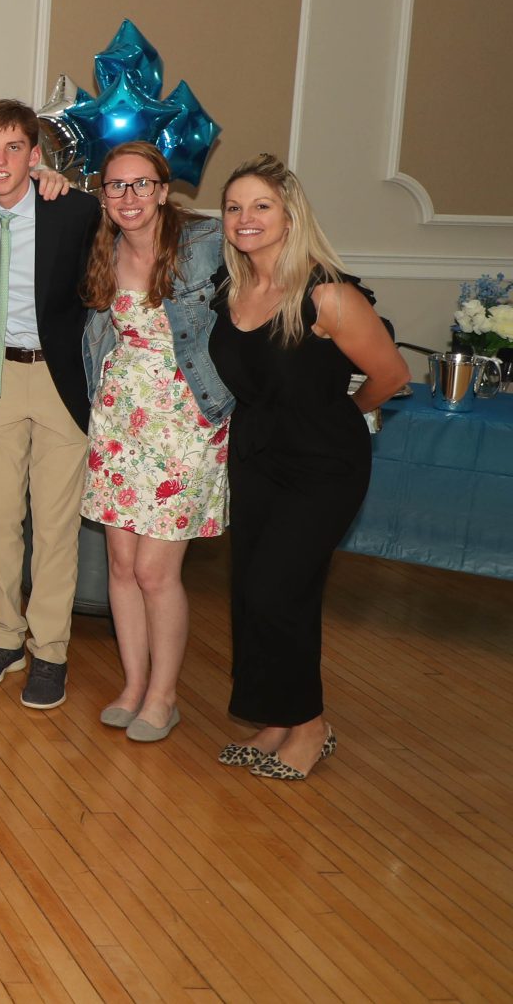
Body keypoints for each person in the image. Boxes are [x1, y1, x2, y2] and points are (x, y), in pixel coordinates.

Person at [209, 155, 407, 780]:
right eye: (235, 207)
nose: (246, 219)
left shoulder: (328, 295)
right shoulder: (230, 288)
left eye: (261, 206)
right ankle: (278, 715)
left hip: (323, 463)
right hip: (256, 457)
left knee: (278, 589)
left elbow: (391, 378)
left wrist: (338, 414)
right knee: (251, 593)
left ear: (290, 217)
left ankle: (313, 725)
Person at [0, 100, 102, 709]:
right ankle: (5, 637)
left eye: (13, 148)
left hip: (59, 378)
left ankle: (50, 651)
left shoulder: (73, 209)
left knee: (55, 527)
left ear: (36, 156)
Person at [78, 142, 234, 742]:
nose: (129, 197)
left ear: (165, 190)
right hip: (120, 421)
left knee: (154, 572)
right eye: (116, 187)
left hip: (186, 421)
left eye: (141, 185)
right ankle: (134, 684)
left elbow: (270, 263)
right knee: (120, 566)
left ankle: (164, 697)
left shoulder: (204, 244)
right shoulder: (105, 250)